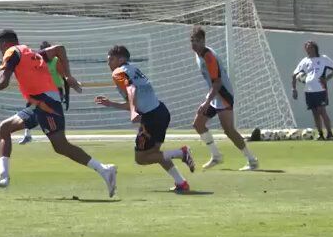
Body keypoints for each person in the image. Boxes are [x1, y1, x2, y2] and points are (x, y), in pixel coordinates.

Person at [0, 29, 117, 197]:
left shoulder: (11, 52)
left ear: (3, 44)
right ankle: (3, 175)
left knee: (61, 145)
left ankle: (104, 169)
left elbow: (2, 82)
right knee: (4, 128)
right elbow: (60, 49)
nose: (0, 51)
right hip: (38, 103)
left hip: (46, 103)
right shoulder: (31, 53)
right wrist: (68, 76)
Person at [95, 45, 195, 194]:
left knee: (141, 158)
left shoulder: (118, 72)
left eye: (111, 60)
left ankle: (182, 153)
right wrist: (112, 104)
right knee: (155, 154)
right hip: (161, 111)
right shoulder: (133, 69)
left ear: (121, 59)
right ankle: (181, 182)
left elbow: (131, 90)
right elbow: (136, 99)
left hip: (151, 118)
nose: (108, 64)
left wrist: (134, 111)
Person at [190, 26, 258, 171]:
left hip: (223, 95)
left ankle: (252, 161)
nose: (194, 44)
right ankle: (216, 156)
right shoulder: (198, 55)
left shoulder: (208, 56)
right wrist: (209, 100)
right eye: (192, 41)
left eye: (197, 41)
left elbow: (218, 82)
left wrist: (207, 102)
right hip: (215, 96)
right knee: (198, 124)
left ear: (203, 41)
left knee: (229, 130)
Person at [19, 40, 68, 145]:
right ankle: (27, 134)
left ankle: (59, 136)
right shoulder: (38, 60)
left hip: (54, 90)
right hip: (40, 90)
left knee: (54, 113)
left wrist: (67, 86)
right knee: (30, 109)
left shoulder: (55, 60)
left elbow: (63, 75)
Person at [292, 41, 333, 141]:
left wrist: (327, 78)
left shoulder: (323, 58)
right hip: (309, 91)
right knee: (315, 113)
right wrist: (294, 89)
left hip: (320, 89)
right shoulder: (304, 61)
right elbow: (294, 75)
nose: (307, 50)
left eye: (309, 47)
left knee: (322, 111)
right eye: (306, 48)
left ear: (314, 48)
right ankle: (320, 135)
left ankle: (330, 134)